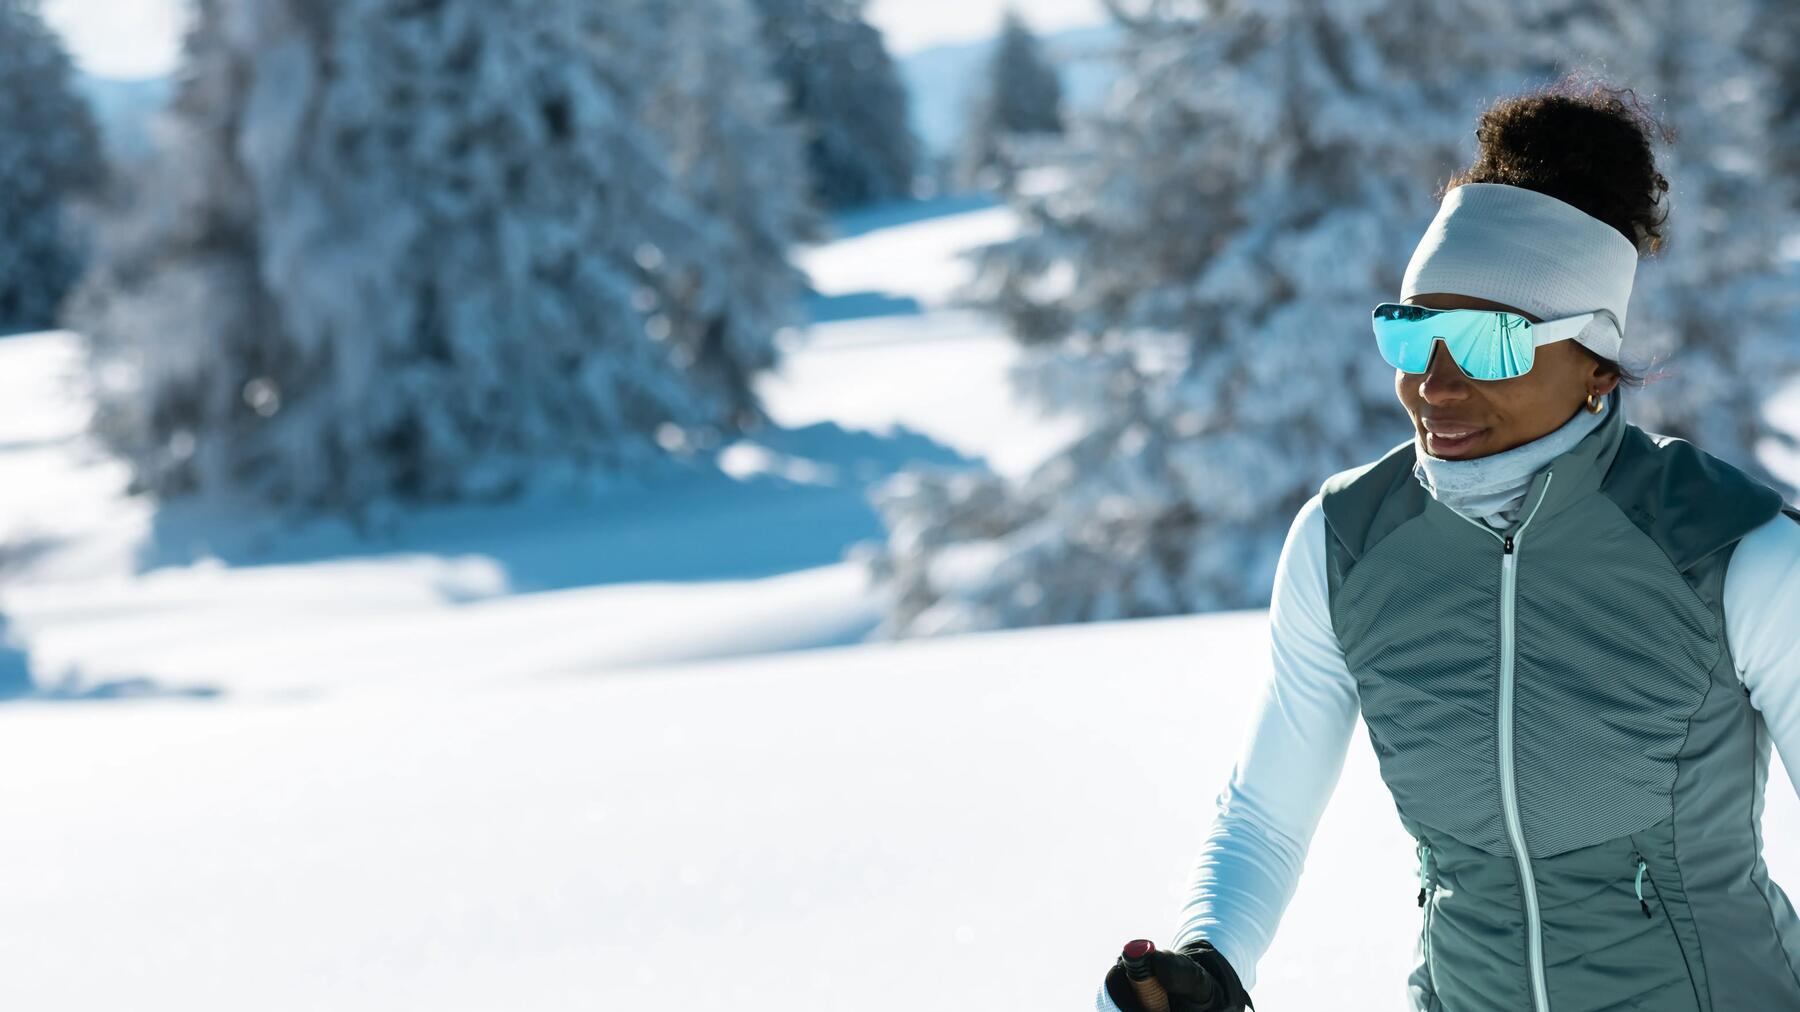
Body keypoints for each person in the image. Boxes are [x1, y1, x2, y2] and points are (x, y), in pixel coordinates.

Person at [1096, 79, 1800, 1012]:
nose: (1435, 383)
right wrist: (1210, 961)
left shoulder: (1729, 547)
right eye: (1414, 331)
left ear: (1594, 359)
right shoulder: (1346, 545)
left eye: (1488, 342)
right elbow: (1266, 813)